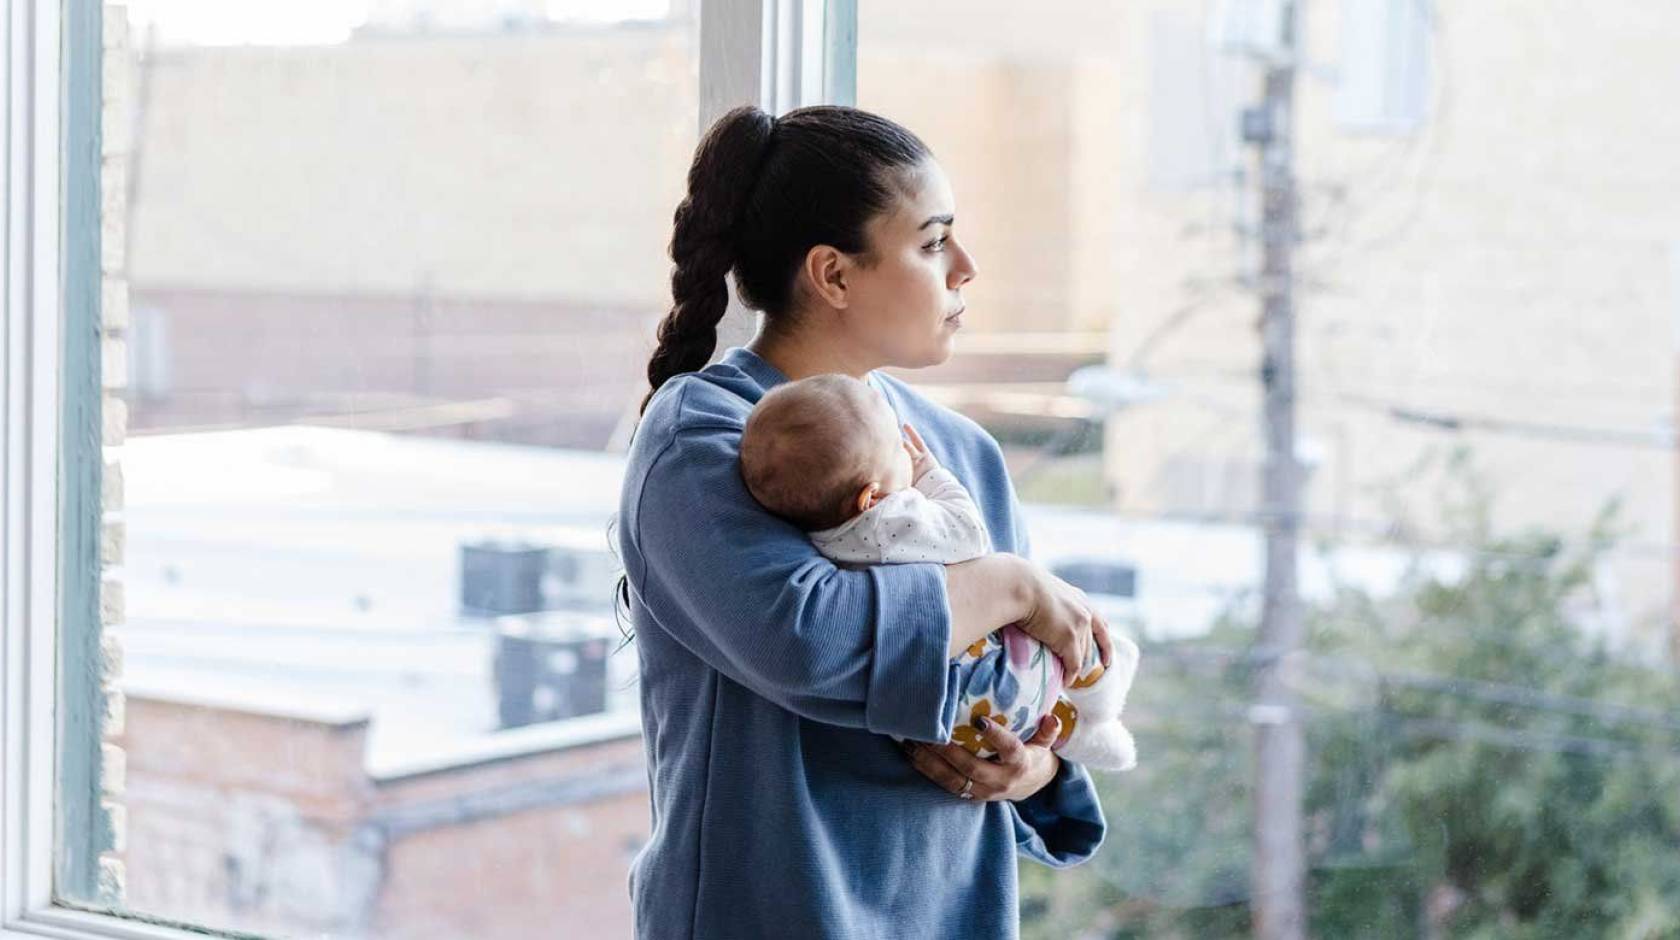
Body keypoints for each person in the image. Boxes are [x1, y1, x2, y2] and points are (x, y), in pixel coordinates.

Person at [614, 103, 1113, 939]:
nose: (966, 267)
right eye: (931, 242)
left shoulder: (963, 452)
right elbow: (809, 638)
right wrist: (1009, 583)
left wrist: (1031, 769)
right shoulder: (703, 441)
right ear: (834, 276)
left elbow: (1019, 672)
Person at [738, 372, 1140, 772]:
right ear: (870, 496)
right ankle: (1102, 697)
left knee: (1043, 702)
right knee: (1071, 629)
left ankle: (1084, 737)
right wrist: (931, 476)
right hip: (1000, 677)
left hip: (951, 718)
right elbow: (969, 536)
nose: (908, 454)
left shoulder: (817, 535)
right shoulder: (888, 522)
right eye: (898, 448)